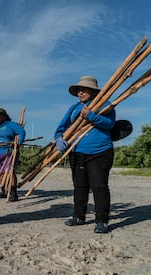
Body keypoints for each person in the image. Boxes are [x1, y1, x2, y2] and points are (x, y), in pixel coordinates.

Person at [54, 76, 115, 234]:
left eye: (84, 90)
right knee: (79, 186)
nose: (80, 93)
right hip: (77, 152)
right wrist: (58, 138)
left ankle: (101, 221)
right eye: (78, 91)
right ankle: (79, 216)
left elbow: (110, 123)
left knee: (99, 186)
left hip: (100, 151)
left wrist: (91, 116)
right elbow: (62, 126)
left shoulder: (105, 105)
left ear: (93, 91)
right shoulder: (74, 108)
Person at [0, 108, 26, 202]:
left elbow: (21, 132)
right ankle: (4, 191)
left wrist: (19, 143)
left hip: (8, 152)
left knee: (10, 172)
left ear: (4, 116)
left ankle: (13, 193)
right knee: (0, 173)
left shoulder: (11, 125)